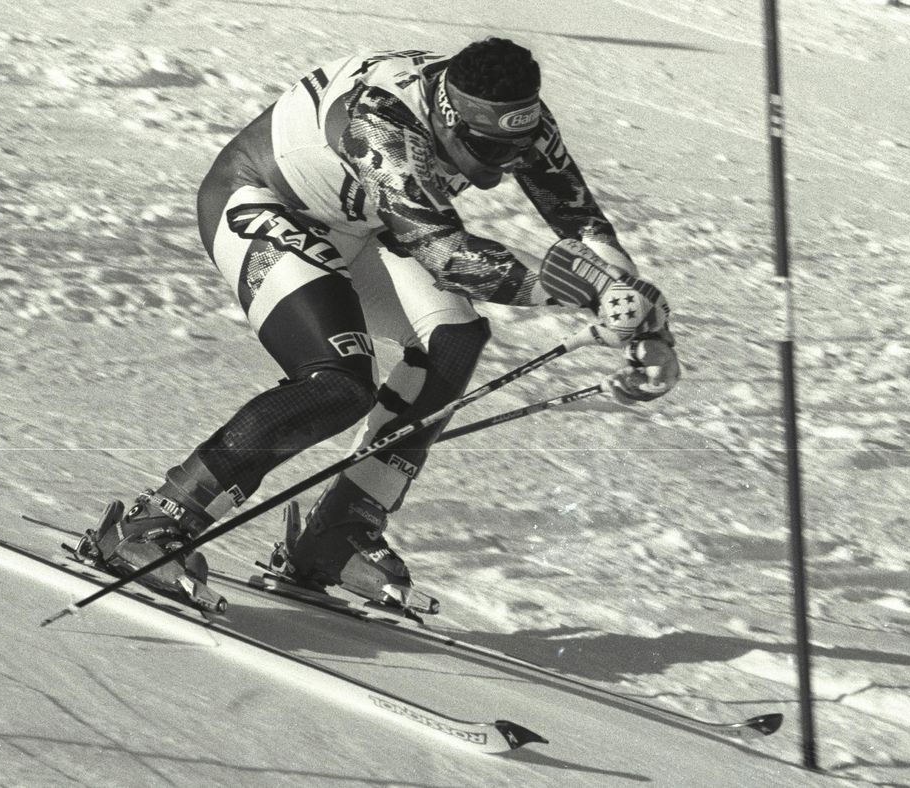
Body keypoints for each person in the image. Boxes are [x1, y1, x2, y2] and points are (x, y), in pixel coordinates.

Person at [82, 38, 681, 611]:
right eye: (488, 151)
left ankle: (338, 531)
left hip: (360, 225)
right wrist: (585, 291)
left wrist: (646, 322)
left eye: (516, 153)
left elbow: (583, 227)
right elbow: (446, 255)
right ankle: (157, 518)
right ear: (446, 118)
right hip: (261, 205)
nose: (501, 169)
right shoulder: (382, 120)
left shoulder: (513, 118)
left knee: (454, 337)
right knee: (339, 382)